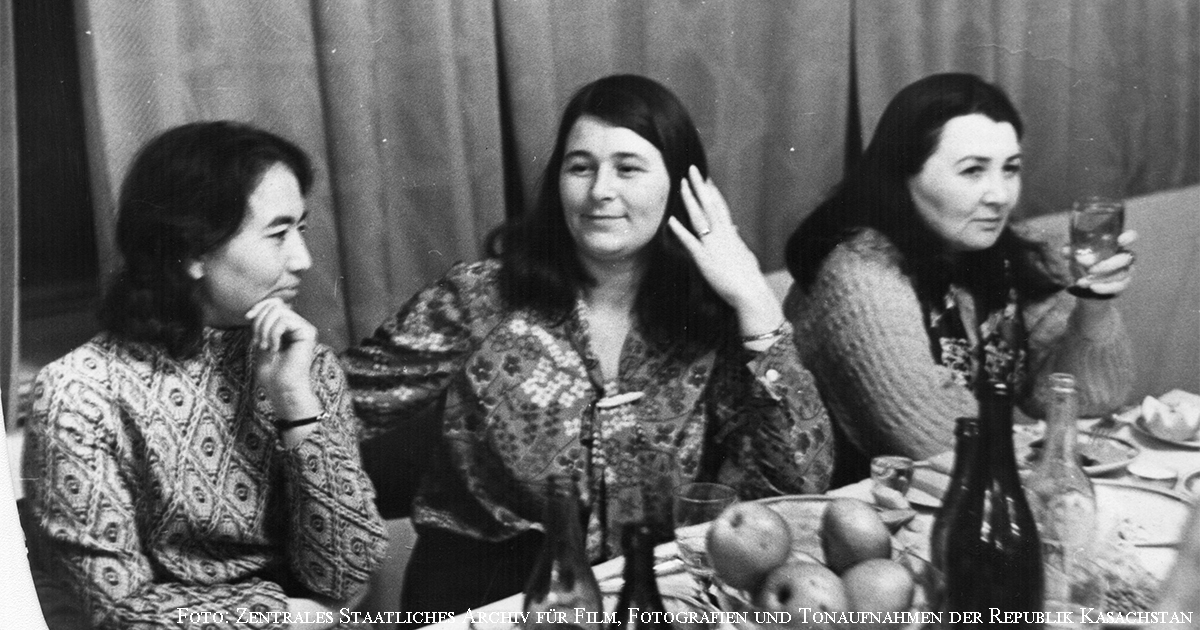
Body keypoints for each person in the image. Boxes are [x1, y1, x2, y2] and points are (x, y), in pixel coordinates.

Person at [343, 74, 833, 615]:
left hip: (648, 596)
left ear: (680, 186)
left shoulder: (709, 317)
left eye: (628, 168)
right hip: (490, 599)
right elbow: (334, 399)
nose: (600, 190)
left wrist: (755, 302)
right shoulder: (479, 298)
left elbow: (797, 486)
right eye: (580, 167)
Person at [22, 121, 388, 630]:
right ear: (193, 251)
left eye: (301, 230)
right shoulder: (81, 392)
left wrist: (294, 403)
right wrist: (286, 616)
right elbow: (119, 609)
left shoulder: (302, 363)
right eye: (278, 234)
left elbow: (347, 577)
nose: (303, 260)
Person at [783, 73, 1134, 481]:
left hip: (969, 487)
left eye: (1010, 169)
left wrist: (1093, 305)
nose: (1000, 196)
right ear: (902, 174)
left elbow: (1088, 400)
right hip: (858, 507)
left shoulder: (1003, 252)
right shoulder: (859, 271)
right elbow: (933, 439)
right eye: (972, 171)